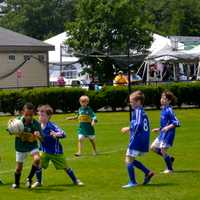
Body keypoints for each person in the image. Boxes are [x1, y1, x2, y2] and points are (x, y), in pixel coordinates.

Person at [32, 105, 83, 188]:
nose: (40, 117)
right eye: (39, 115)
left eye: (42, 115)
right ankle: (38, 181)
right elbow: (40, 138)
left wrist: (56, 134)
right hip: (44, 151)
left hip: (56, 152)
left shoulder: (52, 126)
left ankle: (76, 180)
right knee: (38, 164)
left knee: (66, 167)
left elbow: (63, 134)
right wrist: (35, 136)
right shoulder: (38, 126)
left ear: (48, 116)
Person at [121, 91, 154, 188]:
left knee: (128, 159)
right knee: (131, 159)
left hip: (137, 140)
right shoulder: (142, 111)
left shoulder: (138, 111)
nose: (130, 104)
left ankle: (133, 182)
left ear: (138, 101)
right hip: (141, 139)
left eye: (132, 102)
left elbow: (139, 125)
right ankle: (147, 172)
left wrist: (128, 128)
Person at [11, 103, 42, 189]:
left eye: (31, 115)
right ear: (22, 113)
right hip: (20, 147)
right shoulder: (17, 121)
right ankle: (16, 184)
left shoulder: (36, 124)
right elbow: (10, 131)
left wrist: (38, 135)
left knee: (37, 159)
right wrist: (12, 129)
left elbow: (42, 139)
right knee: (18, 169)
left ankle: (29, 179)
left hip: (32, 146)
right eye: (26, 115)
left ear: (34, 114)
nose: (29, 117)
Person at [151, 91, 180, 174]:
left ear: (169, 101)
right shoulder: (163, 109)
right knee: (153, 147)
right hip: (162, 134)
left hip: (168, 134)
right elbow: (164, 124)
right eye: (162, 98)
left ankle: (170, 169)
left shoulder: (169, 110)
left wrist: (168, 127)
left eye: (165, 99)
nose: (162, 100)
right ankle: (169, 158)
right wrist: (159, 129)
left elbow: (177, 122)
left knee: (163, 151)